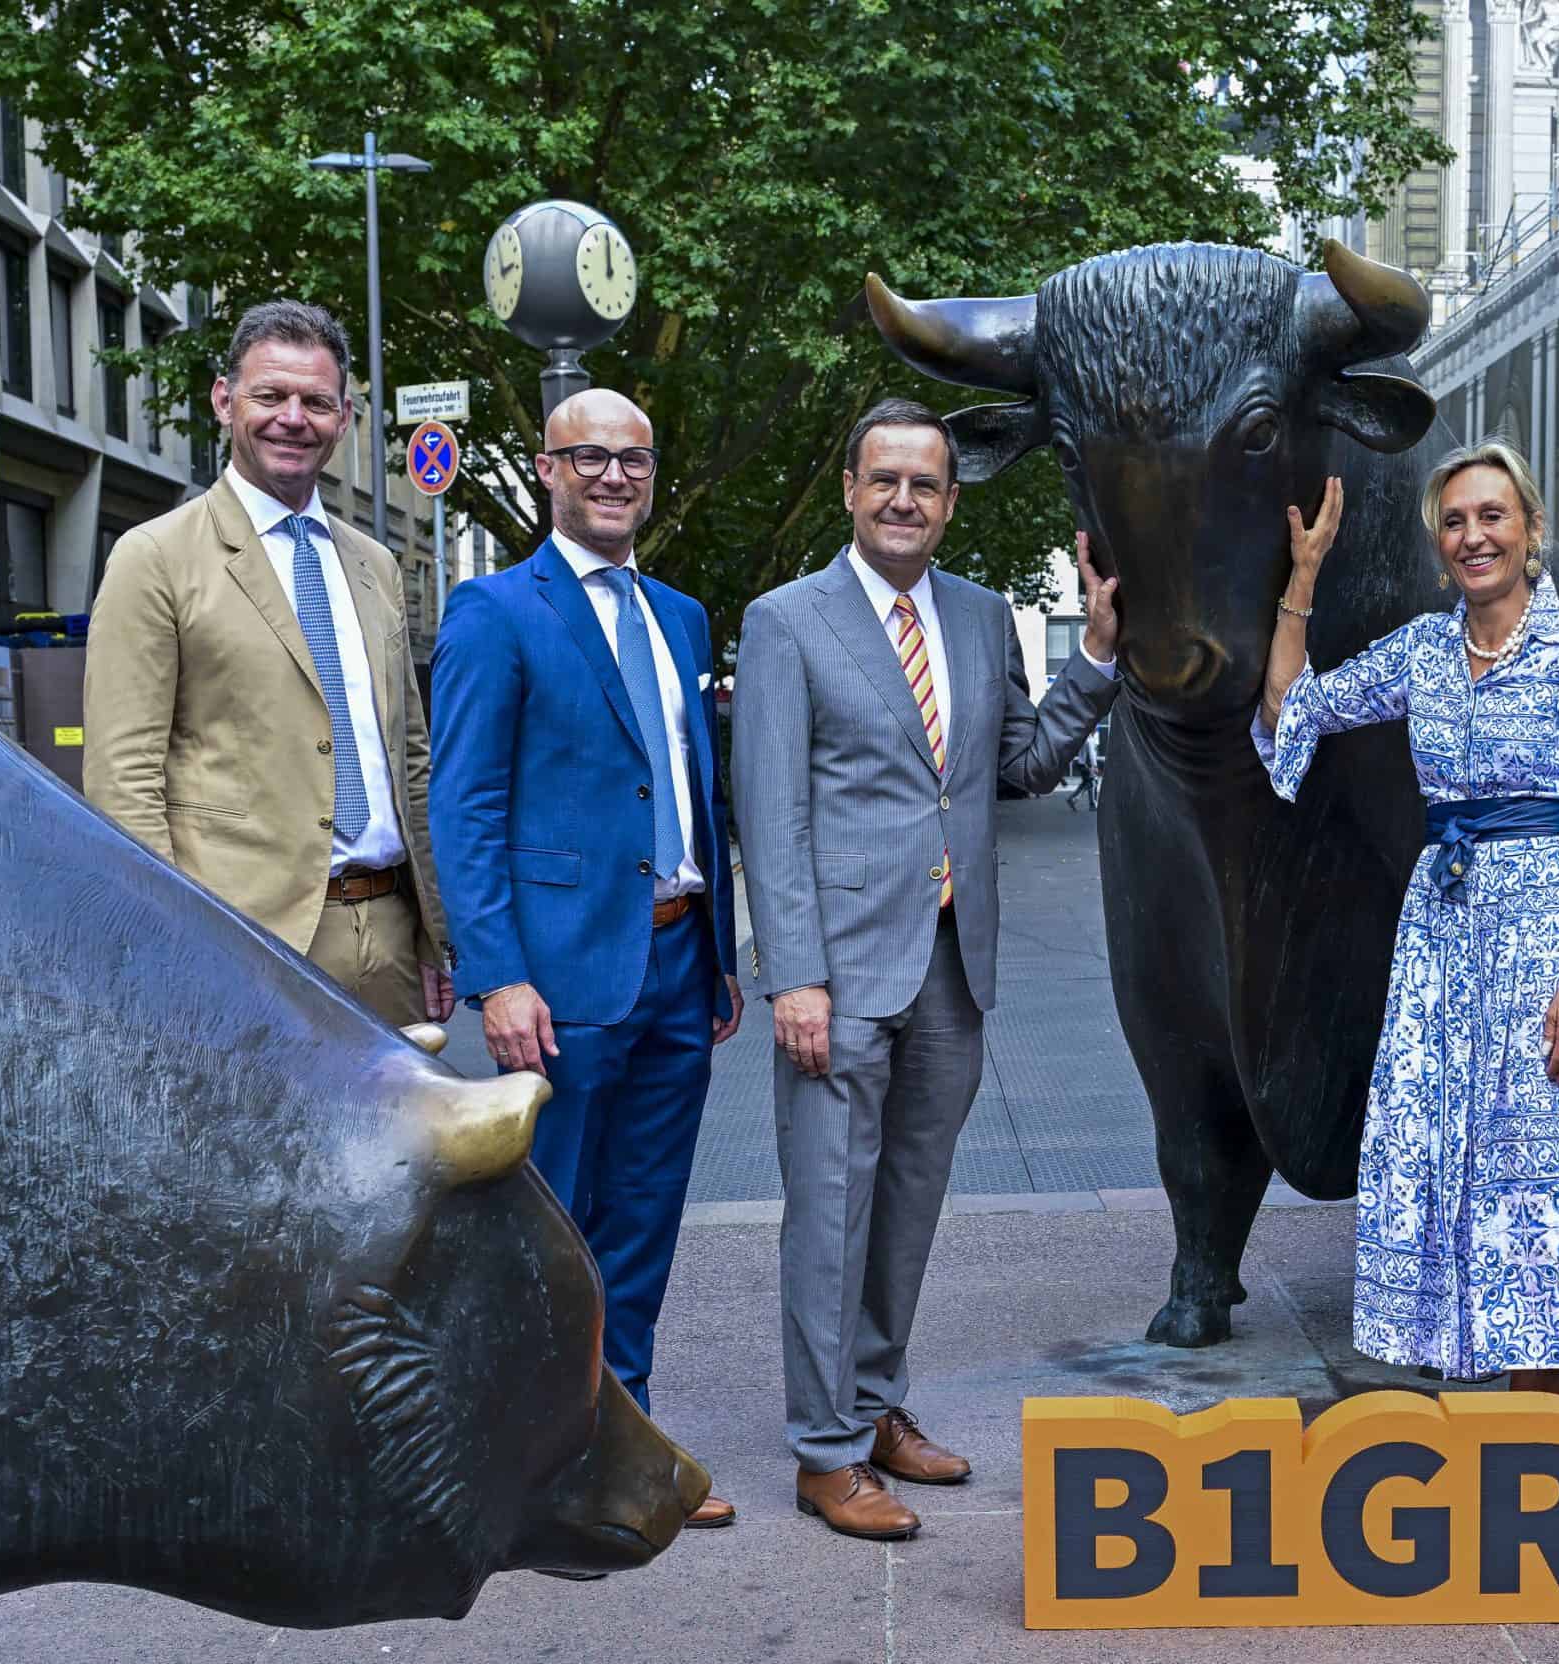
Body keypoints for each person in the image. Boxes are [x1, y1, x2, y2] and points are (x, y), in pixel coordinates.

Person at [731, 399, 1118, 1542]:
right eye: (885, 479)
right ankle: (823, 1449)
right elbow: (771, 807)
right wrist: (792, 973)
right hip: (840, 973)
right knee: (830, 1209)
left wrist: (1094, 655)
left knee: (903, 1207)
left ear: (952, 502)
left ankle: (873, 1398)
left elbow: (1020, 768)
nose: (905, 499)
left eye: (927, 484)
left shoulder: (982, 614)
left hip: (954, 966)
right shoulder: (786, 621)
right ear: (851, 488)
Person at [1256, 442, 1559, 1393]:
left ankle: (1549, 1422)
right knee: (1448, 1155)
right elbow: (1294, 708)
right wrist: (1303, 578)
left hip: (1547, 941)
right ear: (1441, 546)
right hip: (1443, 941)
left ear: (1531, 532)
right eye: (1455, 521)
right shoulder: (1424, 648)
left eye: (1493, 516)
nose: (1474, 536)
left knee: (1543, 1166)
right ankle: (1492, 1405)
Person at [429, 388, 744, 1529]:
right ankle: (531, 1461)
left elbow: (689, 785)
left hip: (675, 964)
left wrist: (718, 949)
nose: (615, 476)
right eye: (591, 456)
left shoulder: (683, 614)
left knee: (645, 1217)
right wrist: (498, 974)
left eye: (635, 459)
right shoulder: (493, 612)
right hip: (559, 980)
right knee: (551, 1227)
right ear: (548, 468)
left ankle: (628, 1441)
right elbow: (463, 807)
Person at [84, 299, 451, 1028]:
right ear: (225, 401)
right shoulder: (155, 557)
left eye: (317, 402)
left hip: (386, 931)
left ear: (344, 419)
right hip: (240, 938)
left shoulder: (375, 567)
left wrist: (435, 932)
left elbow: (410, 759)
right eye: (270, 395)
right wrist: (171, 944)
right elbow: (123, 779)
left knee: (400, 1146)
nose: (294, 418)